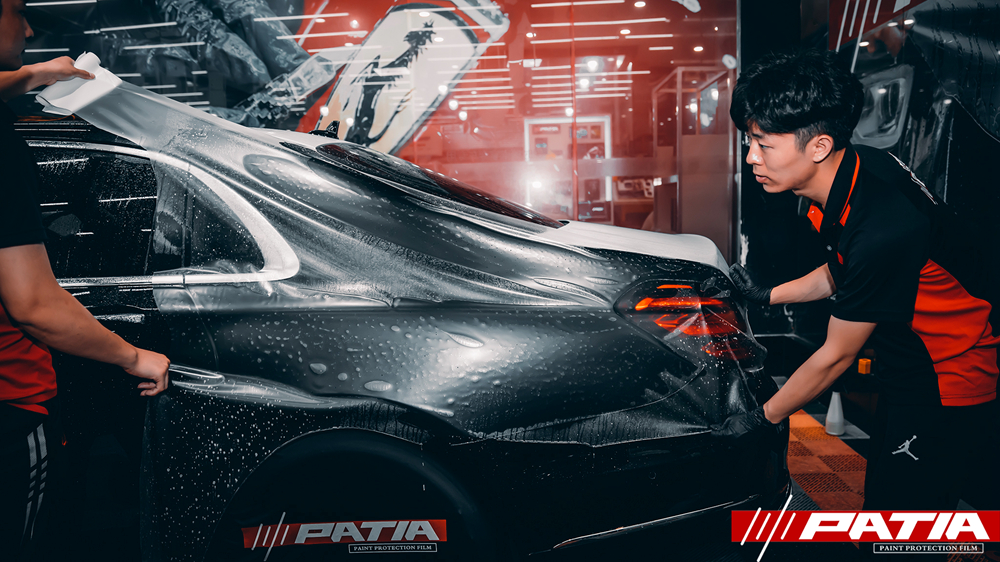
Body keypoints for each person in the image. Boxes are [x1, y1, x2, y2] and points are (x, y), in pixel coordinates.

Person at [712, 50, 999, 516]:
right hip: (907, 370)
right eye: (750, 140)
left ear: (819, 146)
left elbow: (836, 355)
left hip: (945, 382)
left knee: (904, 528)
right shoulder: (853, 175)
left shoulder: (881, 224)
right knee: (887, 509)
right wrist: (768, 296)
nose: (751, 157)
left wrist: (762, 418)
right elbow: (845, 270)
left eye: (764, 144)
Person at [0, 0, 170, 559]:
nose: (29, 29)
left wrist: (34, 74)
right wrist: (134, 357)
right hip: (11, 402)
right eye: (16, 11)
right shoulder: (6, 147)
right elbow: (32, 304)